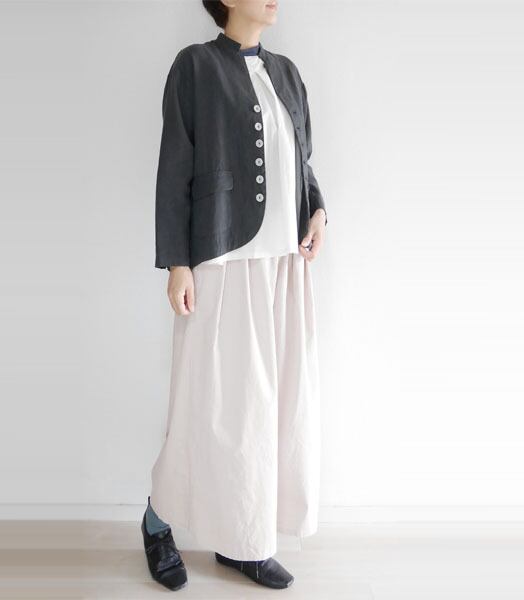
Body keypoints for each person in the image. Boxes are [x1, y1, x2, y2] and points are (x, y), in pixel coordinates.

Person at [141, 0, 328, 592]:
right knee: (209, 406)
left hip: (285, 264)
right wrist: (178, 262)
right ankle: (157, 519)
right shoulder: (194, 66)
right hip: (222, 259)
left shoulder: (288, 73)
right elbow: (175, 168)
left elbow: (301, 159)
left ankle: (245, 542)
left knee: (273, 414)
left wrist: (318, 209)